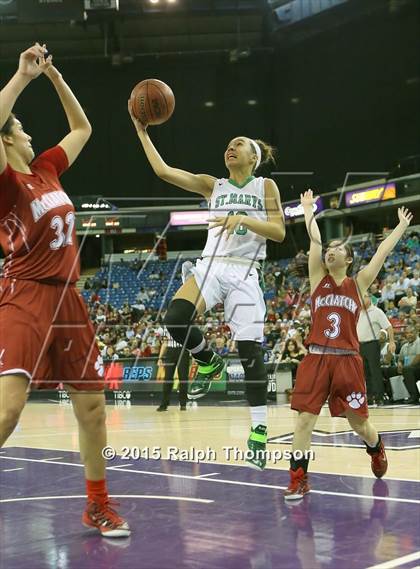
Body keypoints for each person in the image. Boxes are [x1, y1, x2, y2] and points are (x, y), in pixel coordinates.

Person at [0, 44, 129, 536]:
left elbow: (82, 128)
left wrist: (52, 76)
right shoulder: (6, 182)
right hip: (26, 292)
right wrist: (21, 77)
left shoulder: (48, 170)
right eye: (21, 130)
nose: (30, 134)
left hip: (68, 297)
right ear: (8, 138)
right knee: (8, 410)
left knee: (93, 407)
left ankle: (97, 504)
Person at [128, 102, 285, 469]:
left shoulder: (266, 185)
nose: (231, 147)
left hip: (246, 271)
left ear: (253, 157)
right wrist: (142, 132)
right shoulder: (212, 185)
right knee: (176, 317)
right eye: (229, 144)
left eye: (239, 143)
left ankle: (259, 429)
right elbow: (163, 171)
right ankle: (207, 360)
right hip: (212, 267)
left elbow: (278, 232)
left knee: (250, 354)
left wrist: (243, 218)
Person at [284, 190, 413, 500]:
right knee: (304, 420)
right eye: (329, 249)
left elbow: (382, 252)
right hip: (316, 358)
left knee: (359, 424)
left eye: (338, 248)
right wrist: (307, 211)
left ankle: (376, 446)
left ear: (349, 258)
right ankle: (298, 478)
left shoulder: (359, 283)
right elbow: (315, 241)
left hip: (347, 360)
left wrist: (399, 228)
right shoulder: (317, 278)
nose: (330, 251)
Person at [357, 292, 396, 405]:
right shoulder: (359, 312)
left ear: (369, 298)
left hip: (372, 344)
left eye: (363, 297)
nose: (361, 300)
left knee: (375, 372)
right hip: (360, 345)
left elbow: (389, 327)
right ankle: (369, 397)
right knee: (365, 373)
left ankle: (379, 397)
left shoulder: (377, 312)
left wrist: (392, 342)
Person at [382, 326, 420, 404]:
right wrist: (399, 365)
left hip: (417, 367)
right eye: (407, 333)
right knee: (389, 370)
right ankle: (395, 397)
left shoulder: (419, 342)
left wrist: (407, 366)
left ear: (416, 333)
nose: (409, 335)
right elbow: (400, 359)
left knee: (407, 369)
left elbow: (418, 357)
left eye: (411, 333)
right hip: (407, 369)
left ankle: (414, 397)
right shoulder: (404, 346)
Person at [156, 327, 189, 412]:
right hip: (170, 352)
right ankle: (164, 404)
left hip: (183, 350)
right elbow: (165, 343)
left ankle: (183, 404)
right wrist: (160, 357)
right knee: (167, 378)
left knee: (183, 378)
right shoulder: (166, 327)